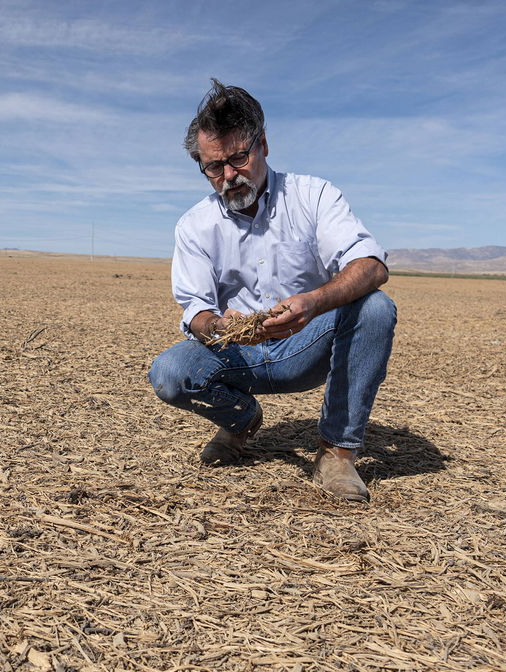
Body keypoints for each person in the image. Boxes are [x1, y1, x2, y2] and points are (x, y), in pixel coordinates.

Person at [148, 79, 396, 501]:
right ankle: (241, 420)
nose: (228, 176)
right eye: (213, 167)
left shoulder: (314, 195)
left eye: (239, 158)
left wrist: (312, 303)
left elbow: (370, 266)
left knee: (374, 307)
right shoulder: (194, 224)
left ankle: (337, 454)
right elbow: (195, 310)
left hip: (308, 342)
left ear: (262, 144)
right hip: (237, 351)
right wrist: (220, 326)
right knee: (170, 372)